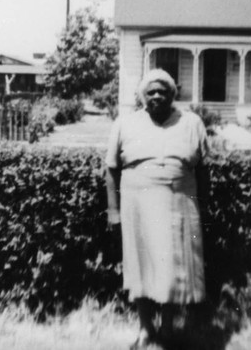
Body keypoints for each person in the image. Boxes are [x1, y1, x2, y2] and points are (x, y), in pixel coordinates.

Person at [105, 69, 209, 349]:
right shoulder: (125, 123)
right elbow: (111, 169)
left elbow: (202, 170)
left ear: (172, 94)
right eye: (151, 91)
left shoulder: (191, 123)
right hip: (137, 205)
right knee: (141, 268)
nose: (157, 96)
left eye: (163, 91)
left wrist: (204, 206)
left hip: (179, 205)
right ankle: (145, 329)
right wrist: (113, 211)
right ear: (142, 96)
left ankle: (166, 328)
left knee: (172, 268)